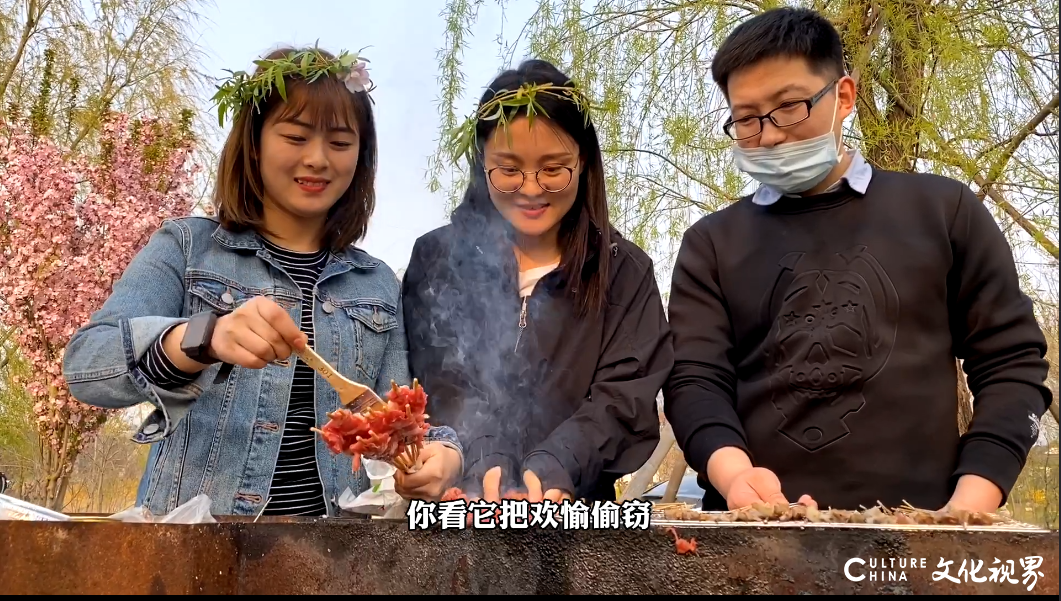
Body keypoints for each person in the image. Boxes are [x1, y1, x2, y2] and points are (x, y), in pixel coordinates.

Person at [664, 7, 1053, 514]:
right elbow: (695, 380)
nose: (772, 133)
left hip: (921, 534)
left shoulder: (943, 211)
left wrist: (968, 506)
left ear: (843, 96)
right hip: (755, 530)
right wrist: (734, 474)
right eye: (746, 119)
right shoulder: (711, 243)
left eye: (790, 107)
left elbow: (1012, 364)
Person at [62, 46, 461, 517]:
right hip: (193, 551)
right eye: (294, 136)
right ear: (254, 142)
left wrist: (444, 454)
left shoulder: (375, 284)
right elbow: (87, 366)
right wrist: (203, 338)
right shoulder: (187, 248)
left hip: (331, 561)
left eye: (339, 143)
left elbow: (395, 414)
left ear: (360, 156)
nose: (317, 159)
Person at [395, 59, 674, 503]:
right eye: (508, 169)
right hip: (458, 504)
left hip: (574, 515)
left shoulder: (625, 271)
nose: (530, 188)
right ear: (481, 164)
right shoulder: (437, 258)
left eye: (553, 168)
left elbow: (622, 398)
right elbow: (439, 379)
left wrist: (558, 462)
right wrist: (485, 455)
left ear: (583, 164)